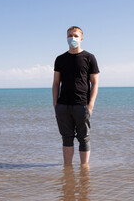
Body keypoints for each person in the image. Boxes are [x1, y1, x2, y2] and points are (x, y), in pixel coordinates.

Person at [53, 26, 99, 165]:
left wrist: (90, 105)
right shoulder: (60, 59)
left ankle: (84, 170)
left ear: (81, 38)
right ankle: (67, 169)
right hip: (63, 105)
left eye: (75, 36)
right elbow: (56, 83)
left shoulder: (89, 58)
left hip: (82, 105)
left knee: (84, 138)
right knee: (66, 138)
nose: (72, 38)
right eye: (69, 35)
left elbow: (95, 83)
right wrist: (55, 104)